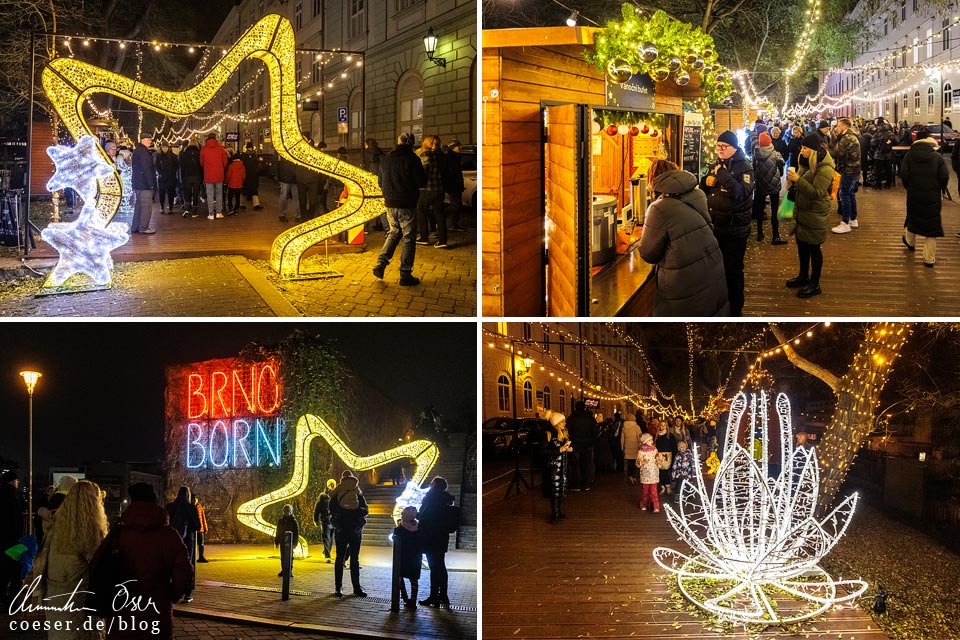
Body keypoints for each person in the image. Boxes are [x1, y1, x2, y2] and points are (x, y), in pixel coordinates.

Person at [101, 482, 193, 640]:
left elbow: (100, 568)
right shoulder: (169, 536)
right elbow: (184, 573)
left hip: (121, 614)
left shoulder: (117, 534)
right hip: (157, 613)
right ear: (155, 502)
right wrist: (172, 594)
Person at [639, 162, 730, 316]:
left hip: (683, 281)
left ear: (653, 180)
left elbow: (649, 254)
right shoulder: (698, 195)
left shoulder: (659, 208)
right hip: (711, 268)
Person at [40, 480, 108, 640]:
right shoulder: (90, 535)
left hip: (55, 604)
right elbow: (101, 571)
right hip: (79, 610)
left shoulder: (55, 529)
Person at [701, 130, 754, 317]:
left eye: (724, 147)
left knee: (733, 272)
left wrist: (722, 174)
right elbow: (706, 190)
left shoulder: (745, 167)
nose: (720, 150)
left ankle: (735, 309)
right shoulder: (715, 163)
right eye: (718, 146)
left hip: (735, 230)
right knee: (716, 271)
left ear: (734, 148)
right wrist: (705, 183)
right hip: (715, 227)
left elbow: (741, 193)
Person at [373, 132, 427, 286]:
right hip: (406, 203)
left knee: (393, 233)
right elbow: (421, 182)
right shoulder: (413, 159)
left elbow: (380, 182)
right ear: (411, 144)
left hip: (389, 203)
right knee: (409, 238)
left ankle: (381, 264)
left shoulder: (386, 159)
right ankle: (405, 274)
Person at [785, 133, 834, 298]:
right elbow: (804, 183)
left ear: (813, 150)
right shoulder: (804, 160)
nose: (802, 150)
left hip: (815, 212)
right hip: (803, 209)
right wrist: (792, 182)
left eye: (805, 148)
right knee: (802, 245)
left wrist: (798, 180)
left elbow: (818, 193)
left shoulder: (825, 167)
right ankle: (803, 275)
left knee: (814, 248)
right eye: (802, 147)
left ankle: (815, 284)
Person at [901, 127, 948, 267]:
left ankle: (910, 242)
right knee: (932, 225)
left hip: (914, 192)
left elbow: (904, 174)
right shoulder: (937, 157)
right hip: (932, 194)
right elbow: (944, 176)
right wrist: (940, 189)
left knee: (913, 216)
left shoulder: (909, 155)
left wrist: (909, 187)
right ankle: (929, 258)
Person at [417, 476, 456, 608]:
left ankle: (434, 596)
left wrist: (416, 515)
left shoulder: (432, 498)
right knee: (440, 565)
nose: (430, 484)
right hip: (442, 537)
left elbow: (424, 517)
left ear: (434, 486)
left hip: (430, 536)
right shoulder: (446, 499)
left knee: (434, 567)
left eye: (432, 483)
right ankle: (443, 595)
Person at [330, 472, 368, 597]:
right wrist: (356, 516)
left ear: (342, 479)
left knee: (339, 558)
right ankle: (356, 588)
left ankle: (338, 588)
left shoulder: (337, 492)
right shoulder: (357, 490)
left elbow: (331, 510)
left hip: (341, 529)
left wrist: (339, 523)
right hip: (355, 530)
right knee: (354, 559)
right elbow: (365, 510)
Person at [166, 486, 200, 603]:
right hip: (187, 541)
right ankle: (187, 593)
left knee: (172, 564)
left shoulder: (170, 507)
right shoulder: (191, 508)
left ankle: (173, 590)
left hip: (172, 540)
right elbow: (197, 526)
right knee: (187, 565)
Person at [752, 132, 787, 244]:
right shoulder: (775, 154)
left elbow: (753, 167)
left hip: (760, 185)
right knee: (775, 210)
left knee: (759, 210)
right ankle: (775, 236)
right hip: (774, 184)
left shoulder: (755, 154)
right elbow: (782, 163)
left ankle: (759, 233)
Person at [831, 118, 862, 234]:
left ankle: (845, 222)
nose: (836, 128)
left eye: (838, 126)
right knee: (850, 193)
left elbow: (839, 154)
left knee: (843, 194)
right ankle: (853, 219)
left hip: (849, 169)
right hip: (854, 169)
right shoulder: (852, 136)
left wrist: (829, 145)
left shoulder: (846, 138)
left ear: (844, 126)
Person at [416, 135, 448, 248]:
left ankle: (424, 237)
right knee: (439, 214)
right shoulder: (443, 156)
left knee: (421, 211)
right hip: (439, 188)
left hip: (427, 189)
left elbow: (422, 173)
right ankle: (443, 241)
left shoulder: (426, 156)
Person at [0, 471, 22, 607]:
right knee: (14, 572)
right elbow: (15, 520)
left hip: (2, 540)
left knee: (3, 571)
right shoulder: (12, 496)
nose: (18, 483)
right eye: (17, 480)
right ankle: (12, 602)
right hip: (11, 541)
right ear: (13, 481)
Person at [393, 506, 422, 608]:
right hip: (415, 557)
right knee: (414, 579)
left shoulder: (399, 529)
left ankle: (405, 598)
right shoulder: (419, 528)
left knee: (400, 577)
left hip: (402, 557)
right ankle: (413, 600)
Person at [566, 400, 598, 491]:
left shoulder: (572, 418)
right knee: (586, 464)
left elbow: (568, 431)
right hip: (588, 444)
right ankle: (586, 483)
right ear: (584, 407)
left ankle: (576, 484)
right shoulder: (590, 418)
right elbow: (595, 432)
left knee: (576, 464)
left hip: (575, 444)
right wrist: (591, 441)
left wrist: (572, 441)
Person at [131, 133, 157, 234]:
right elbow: (147, 169)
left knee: (139, 205)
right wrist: (151, 184)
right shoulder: (143, 152)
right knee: (146, 206)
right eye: (148, 139)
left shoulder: (138, 150)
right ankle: (144, 227)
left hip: (138, 183)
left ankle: (135, 226)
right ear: (143, 140)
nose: (150, 141)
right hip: (144, 184)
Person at [199, 132, 228, 220]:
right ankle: (219, 212)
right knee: (219, 194)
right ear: (216, 139)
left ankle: (211, 214)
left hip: (208, 175)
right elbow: (225, 162)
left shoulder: (203, 149)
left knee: (210, 194)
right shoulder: (220, 149)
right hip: (219, 174)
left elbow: (201, 163)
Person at [444, 140, 466, 231]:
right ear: (453, 147)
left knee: (458, 205)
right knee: (455, 205)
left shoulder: (455, 157)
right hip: (453, 185)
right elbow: (450, 173)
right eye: (458, 146)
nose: (459, 148)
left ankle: (453, 224)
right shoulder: (450, 158)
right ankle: (439, 217)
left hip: (456, 185)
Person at [313, 479, 336, 563]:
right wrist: (315, 519)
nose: (332, 486)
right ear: (328, 485)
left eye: (333, 484)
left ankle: (326, 552)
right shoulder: (323, 496)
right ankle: (327, 555)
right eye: (331, 484)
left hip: (333, 520)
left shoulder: (336, 495)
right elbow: (317, 508)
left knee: (331, 538)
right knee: (326, 537)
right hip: (325, 520)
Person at [636, 433, 660, 513]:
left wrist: (658, 459)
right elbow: (638, 463)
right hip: (645, 473)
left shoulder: (654, 449)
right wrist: (641, 461)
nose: (652, 441)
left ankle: (655, 506)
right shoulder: (641, 451)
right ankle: (644, 504)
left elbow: (658, 457)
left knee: (654, 490)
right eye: (650, 440)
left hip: (653, 472)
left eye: (651, 440)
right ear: (645, 441)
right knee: (645, 490)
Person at [179, 138, 202, 217]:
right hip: (197, 176)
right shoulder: (199, 153)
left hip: (187, 176)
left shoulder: (184, 154)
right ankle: (195, 211)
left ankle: (187, 209)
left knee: (187, 193)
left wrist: (182, 177)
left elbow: (182, 167)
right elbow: (201, 166)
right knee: (195, 193)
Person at [275, 504, 300, 578]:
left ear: (291, 512)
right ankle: (283, 570)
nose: (287, 512)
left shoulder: (293, 521)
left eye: (288, 511)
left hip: (290, 542)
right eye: (285, 511)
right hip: (283, 541)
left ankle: (289, 570)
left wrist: (295, 543)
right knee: (283, 557)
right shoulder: (281, 521)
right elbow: (278, 531)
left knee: (290, 557)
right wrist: (277, 541)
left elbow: (296, 532)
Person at [155, 141, 179, 215]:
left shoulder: (173, 156)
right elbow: (156, 166)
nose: (164, 148)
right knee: (161, 193)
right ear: (161, 148)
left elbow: (176, 165)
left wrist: (173, 172)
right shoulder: (158, 156)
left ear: (168, 147)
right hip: (162, 177)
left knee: (170, 193)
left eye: (166, 147)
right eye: (163, 147)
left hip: (170, 177)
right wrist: (160, 173)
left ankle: (170, 207)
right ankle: (162, 206)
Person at [654, 420, 677, 495]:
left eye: (664, 425)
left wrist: (674, 457)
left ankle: (667, 486)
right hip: (660, 456)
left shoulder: (670, 436)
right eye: (661, 425)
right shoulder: (657, 436)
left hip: (668, 456)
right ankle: (664, 486)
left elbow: (674, 447)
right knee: (660, 472)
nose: (663, 427)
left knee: (665, 471)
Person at [621, 410, 643, 485]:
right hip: (635, 446)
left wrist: (622, 447)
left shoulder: (624, 427)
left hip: (627, 447)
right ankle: (633, 476)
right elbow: (640, 437)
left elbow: (622, 439)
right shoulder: (637, 427)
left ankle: (629, 475)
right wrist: (641, 445)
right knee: (635, 463)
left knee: (629, 462)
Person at [240, 142, 263, 210]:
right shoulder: (254, 155)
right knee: (253, 190)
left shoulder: (243, 156)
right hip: (252, 175)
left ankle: (242, 204)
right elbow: (257, 164)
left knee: (245, 190)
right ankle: (256, 205)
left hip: (247, 175)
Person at [194, 495, 208, 563]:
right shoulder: (191, 507)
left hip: (201, 529)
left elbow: (203, 518)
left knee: (201, 544)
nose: (195, 500)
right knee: (193, 544)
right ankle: (192, 557)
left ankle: (201, 557)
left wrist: (205, 528)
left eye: (196, 499)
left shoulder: (200, 507)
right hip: (194, 529)